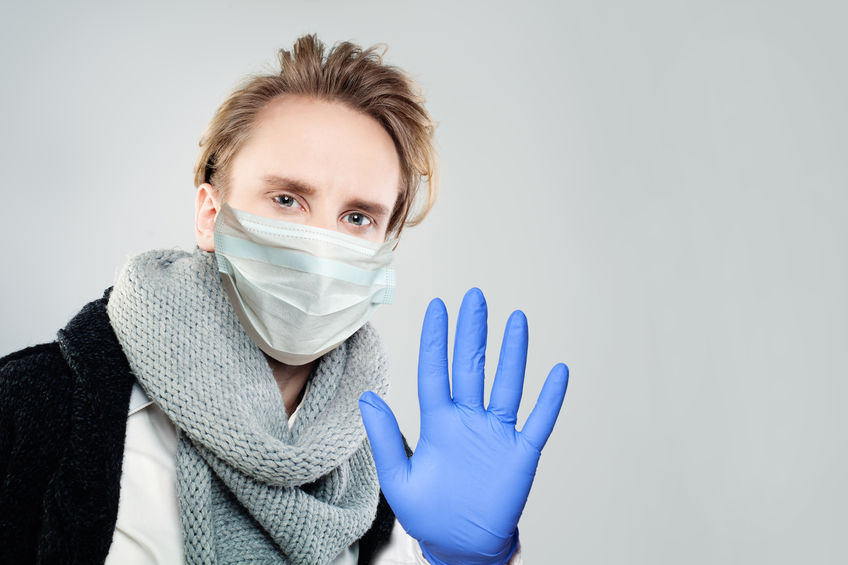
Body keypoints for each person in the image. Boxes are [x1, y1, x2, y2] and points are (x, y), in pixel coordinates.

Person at [0, 34, 569, 564]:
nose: (320, 248)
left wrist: (465, 562)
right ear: (210, 214)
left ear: (384, 247)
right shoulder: (32, 410)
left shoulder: (393, 479)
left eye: (356, 217)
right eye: (287, 200)